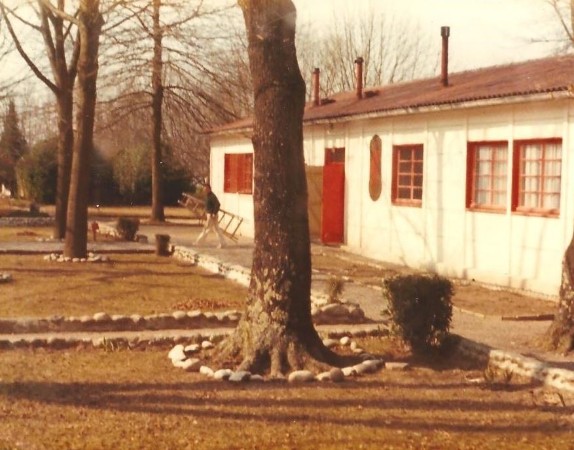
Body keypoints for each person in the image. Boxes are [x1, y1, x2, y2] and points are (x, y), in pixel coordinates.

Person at [194, 183, 226, 248]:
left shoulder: (212, 196)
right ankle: (223, 243)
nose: (204, 190)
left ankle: (199, 242)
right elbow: (207, 206)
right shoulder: (207, 196)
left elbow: (217, 204)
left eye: (205, 189)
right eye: (204, 189)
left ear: (209, 189)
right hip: (209, 214)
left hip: (212, 215)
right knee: (216, 229)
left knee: (206, 229)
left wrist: (214, 213)